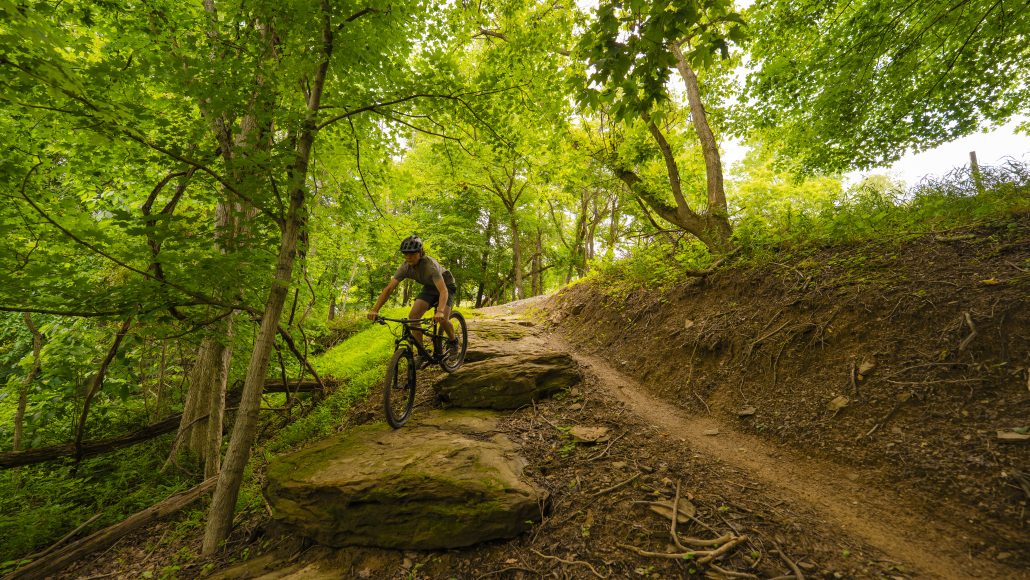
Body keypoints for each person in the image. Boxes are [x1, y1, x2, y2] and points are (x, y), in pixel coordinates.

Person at [368, 235, 458, 364]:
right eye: (405, 254)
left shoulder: (430, 266)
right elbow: (389, 289)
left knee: (443, 318)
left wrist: (440, 311)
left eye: (412, 254)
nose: (408, 257)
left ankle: (453, 341)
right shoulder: (405, 267)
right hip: (429, 287)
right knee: (413, 317)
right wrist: (375, 309)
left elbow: (443, 291)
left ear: (420, 253)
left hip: (446, 286)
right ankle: (421, 353)